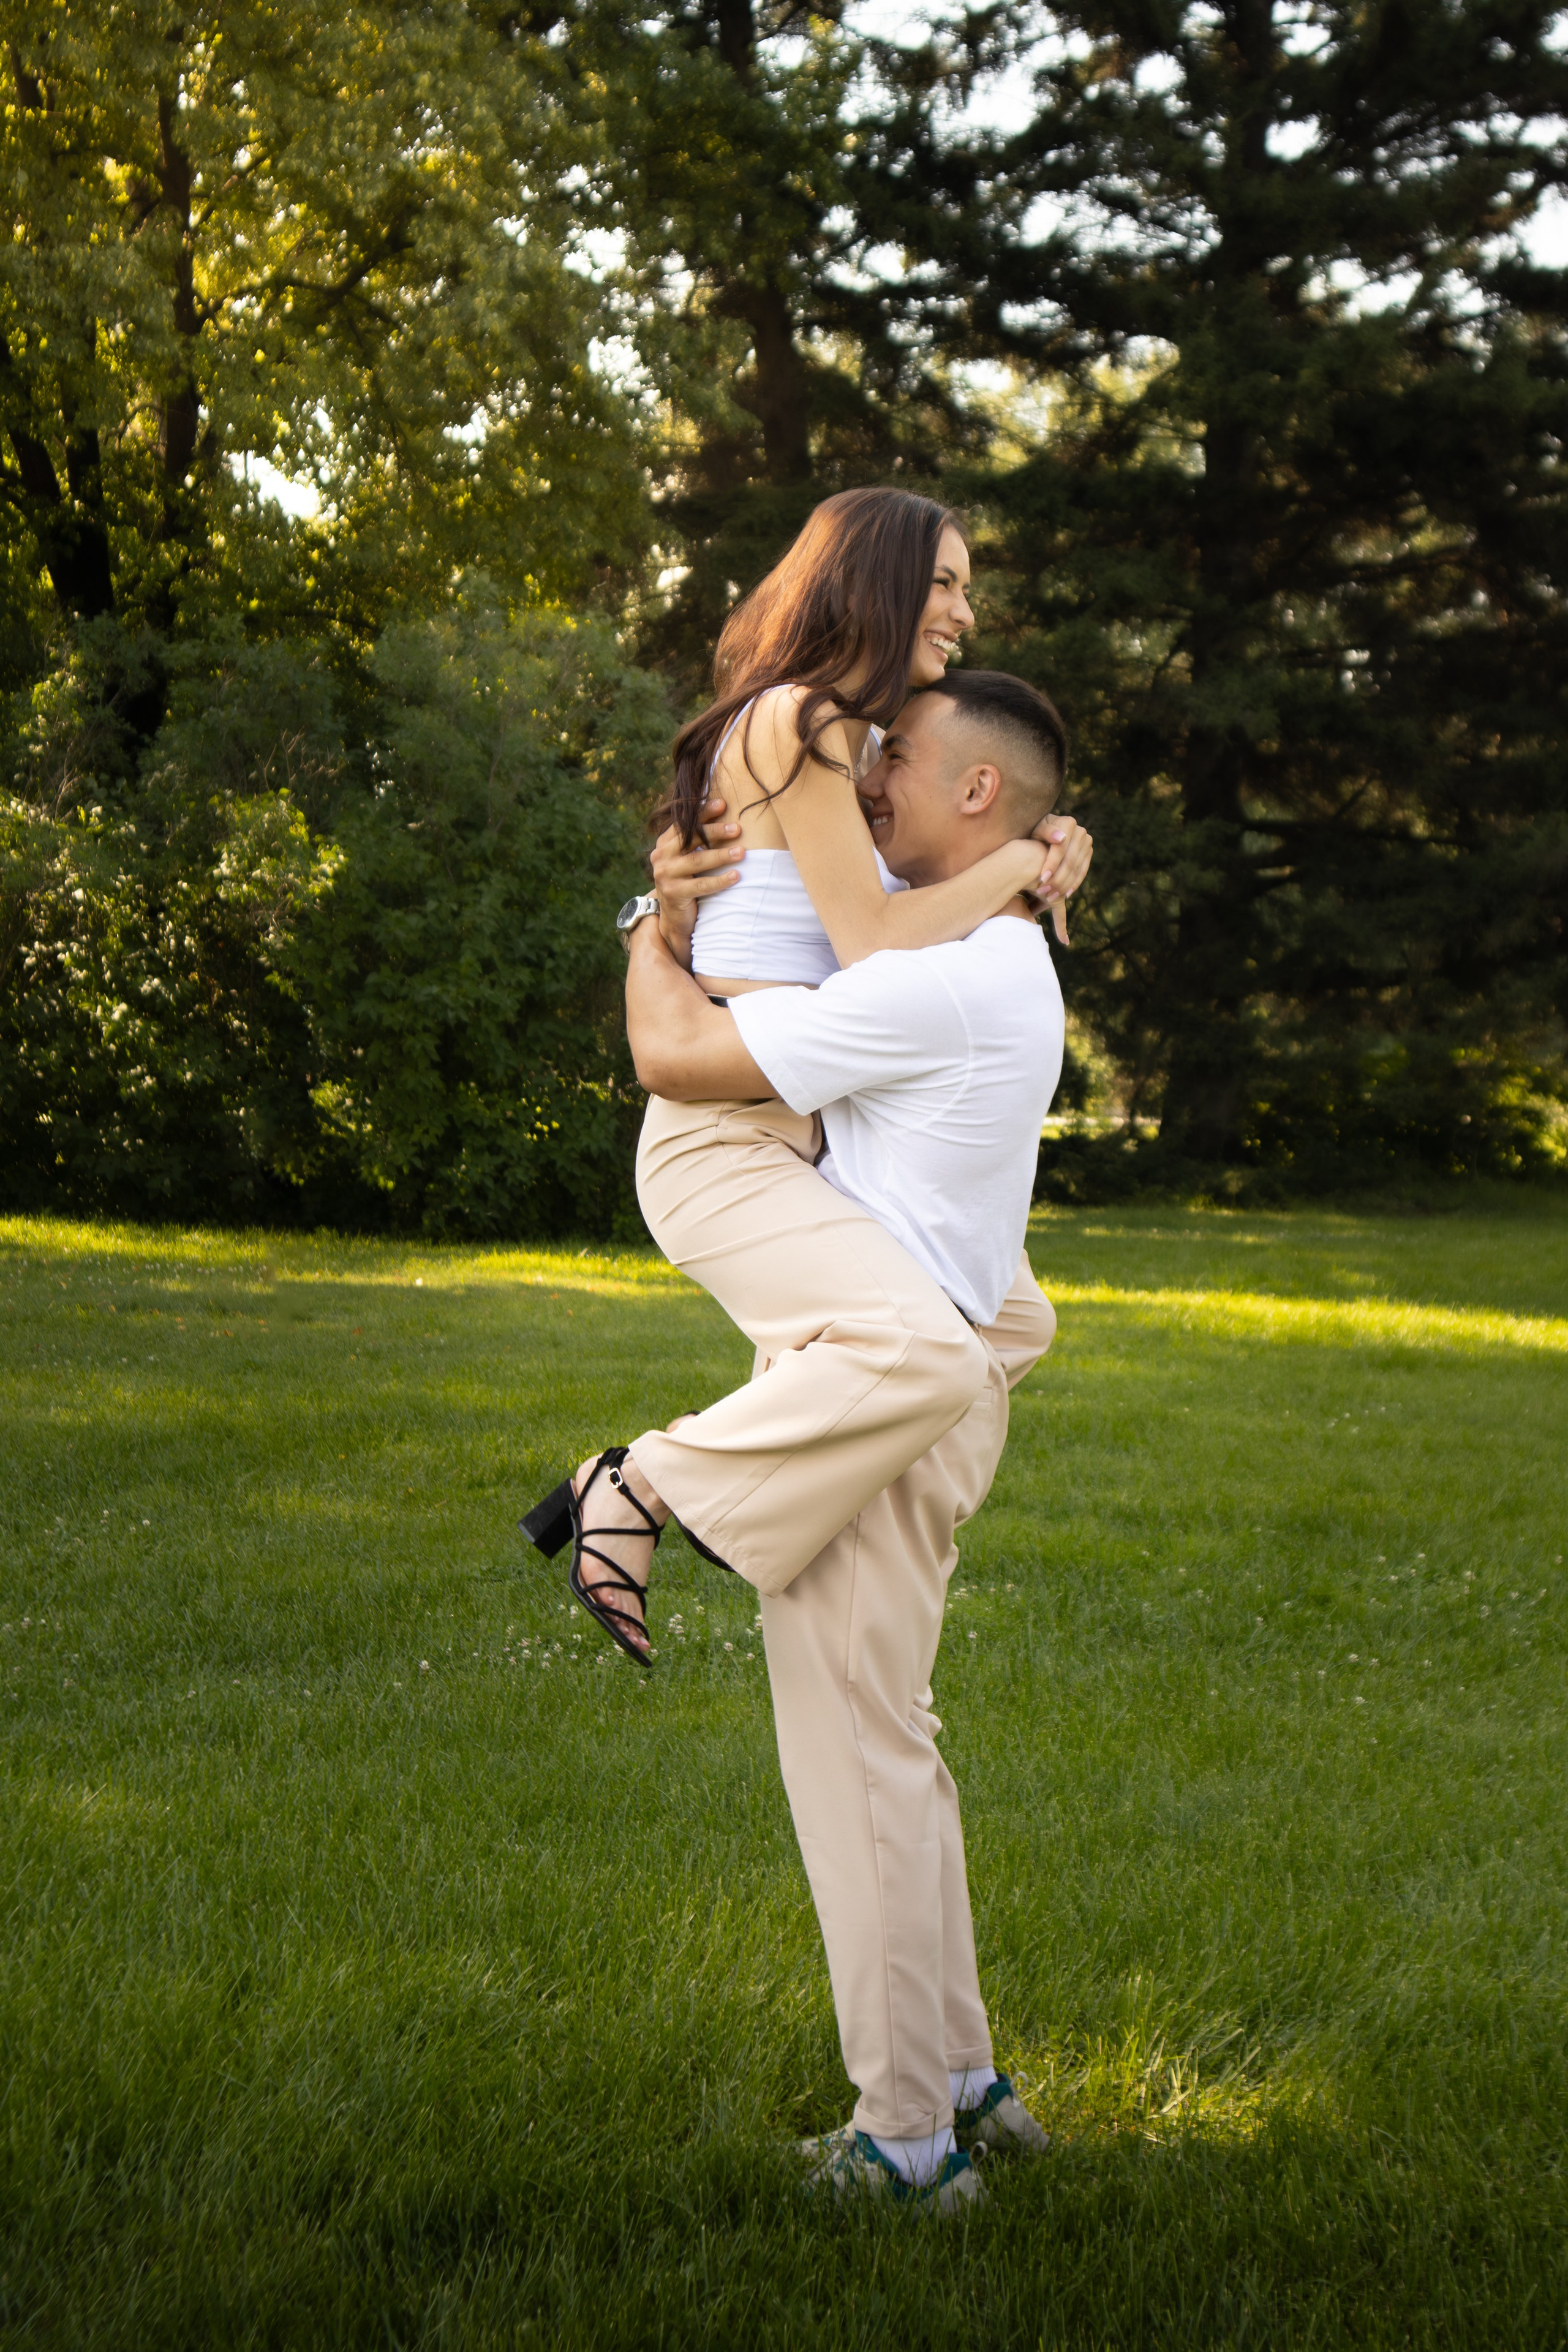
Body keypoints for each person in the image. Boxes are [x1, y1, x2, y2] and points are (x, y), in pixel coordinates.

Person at [622, 672, 1070, 2211]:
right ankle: (959, 2078)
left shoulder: (931, 977)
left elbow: (684, 1062)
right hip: (930, 1383)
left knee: (851, 1761)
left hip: (887, 1396)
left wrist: (648, 928)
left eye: (901, 770)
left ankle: (902, 2147)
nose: (868, 788)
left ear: (974, 799)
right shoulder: (995, 957)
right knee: (898, 1743)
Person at [521, 491, 1090, 1656]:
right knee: (924, 1345)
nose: (964, 612)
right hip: (725, 1132)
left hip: (799, 1132)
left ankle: (874, 1511)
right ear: (876, 578)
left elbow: (909, 868)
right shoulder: (807, 720)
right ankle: (637, 1487)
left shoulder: (844, 741)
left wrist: (1045, 837)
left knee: (1003, 1315)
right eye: (945, 582)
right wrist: (1024, 863)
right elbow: (878, 940)